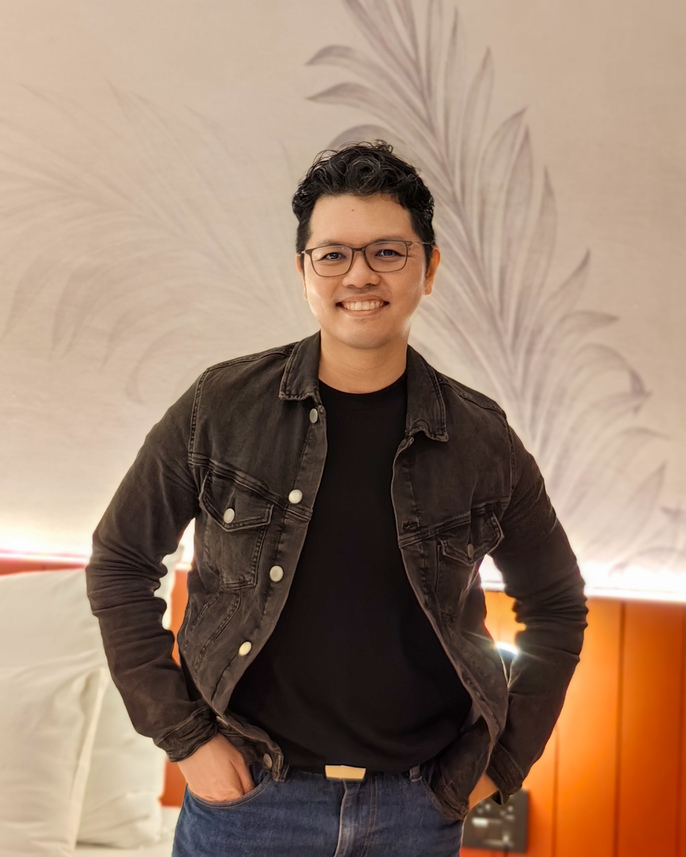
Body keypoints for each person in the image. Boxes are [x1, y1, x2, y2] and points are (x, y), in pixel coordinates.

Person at [86, 141, 587, 856]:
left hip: (416, 813)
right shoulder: (219, 407)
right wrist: (188, 739)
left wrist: (498, 769)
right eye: (333, 255)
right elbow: (120, 563)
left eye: (387, 252)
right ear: (304, 272)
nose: (359, 274)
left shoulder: (482, 440)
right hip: (248, 805)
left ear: (429, 268)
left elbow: (558, 605)